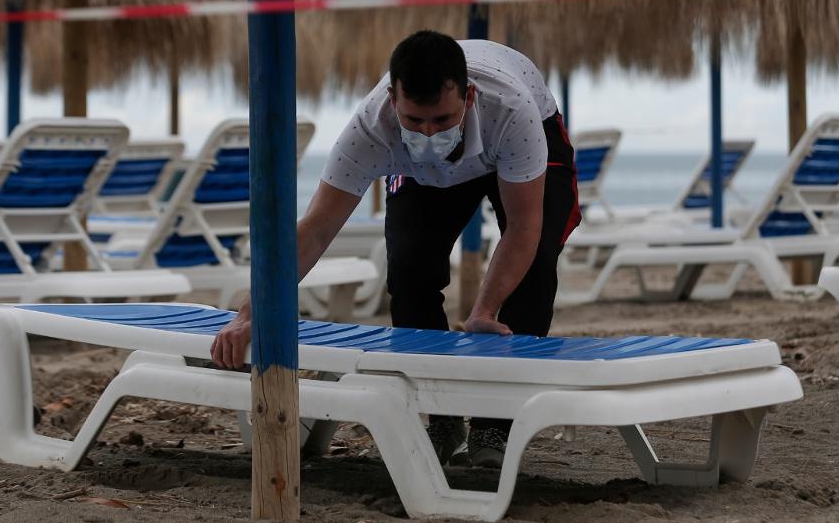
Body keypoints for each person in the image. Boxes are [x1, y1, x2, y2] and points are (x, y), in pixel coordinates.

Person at [210, 30, 581, 468]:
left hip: (523, 135)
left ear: (469, 97)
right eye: (415, 121)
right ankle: (442, 420)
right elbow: (314, 230)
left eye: (442, 121)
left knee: (535, 267)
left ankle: (494, 427)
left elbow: (522, 228)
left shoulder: (512, 112)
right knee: (408, 270)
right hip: (422, 177)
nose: (428, 134)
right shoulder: (372, 126)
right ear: (393, 100)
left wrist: (485, 310)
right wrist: (251, 312)